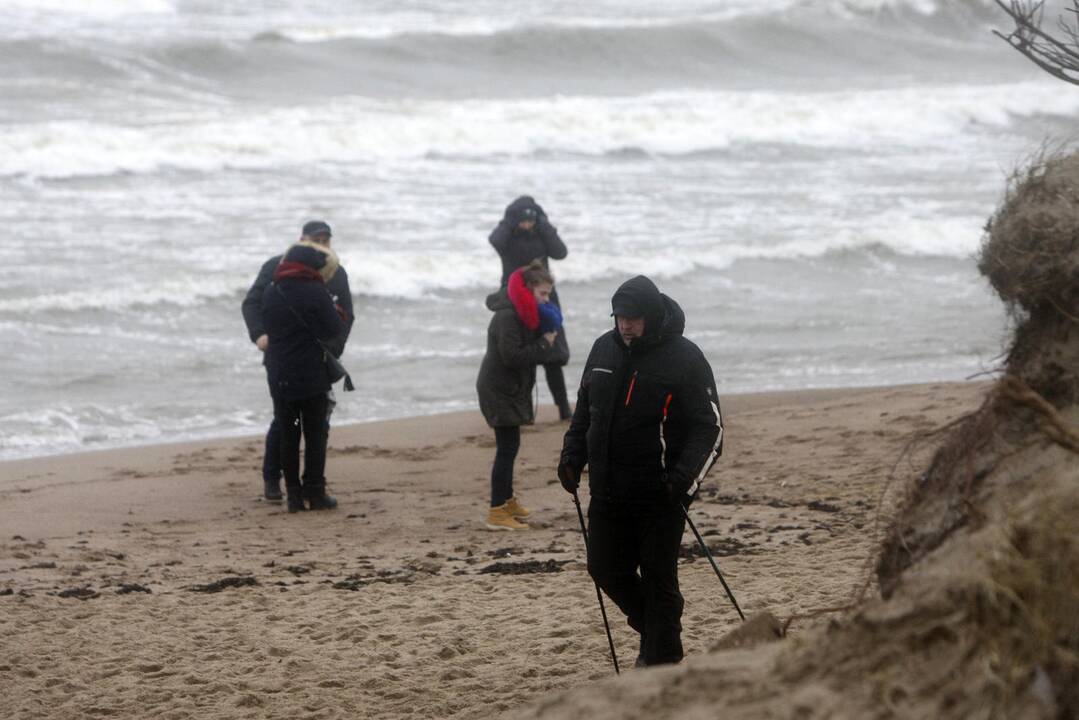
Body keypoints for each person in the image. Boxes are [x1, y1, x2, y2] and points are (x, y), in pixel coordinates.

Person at [557, 275, 723, 667]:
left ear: (650, 315)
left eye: (633, 317)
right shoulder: (603, 348)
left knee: (658, 578)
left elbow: (710, 428)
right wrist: (571, 456)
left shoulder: (684, 357)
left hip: (660, 495)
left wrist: (681, 482)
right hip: (608, 489)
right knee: (604, 567)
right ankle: (656, 629)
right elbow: (586, 411)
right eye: (619, 317)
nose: (625, 324)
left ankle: (661, 661)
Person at [241, 220, 354, 503]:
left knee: (319, 421)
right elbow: (252, 303)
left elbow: (346, 315)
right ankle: (272, 479)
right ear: (301, 240)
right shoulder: (275, 267)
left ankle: (309, 486)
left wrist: (334, 349)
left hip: (319, 357)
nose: (321, 245)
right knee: (284, 421)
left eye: (325, 240)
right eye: (315, 240)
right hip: (280, 353)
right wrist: (260, 335)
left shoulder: (335, 271)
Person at [476, 260, 563, 530]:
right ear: (527, 289)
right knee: (506, 449)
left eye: (549, 294)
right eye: (543, 294)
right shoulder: (508, 315)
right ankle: (496, 511)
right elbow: (512, 356)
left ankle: (507, 500)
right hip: (499, 389)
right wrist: (543, 344)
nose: (547, 299)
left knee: (511, 447)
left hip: (511, 388)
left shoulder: (526, 313)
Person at [260, 241, 344, 512]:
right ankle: (316, 492)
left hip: (279, 374)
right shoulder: (315, 291)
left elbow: (269, 324)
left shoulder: (272, 291)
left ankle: (294, 495)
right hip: (311, 375)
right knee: (315, 435)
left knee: (289, 434)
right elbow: (333, 329)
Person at [488, 196, 572, 419]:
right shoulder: (508, 237)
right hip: (515, 300)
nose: (527, 225)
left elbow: (561, 252)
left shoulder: (541, 233)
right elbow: (495, 240)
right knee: (522, 357)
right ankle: (524, 413)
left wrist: (544, 224)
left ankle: (564, 409)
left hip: (543, 297)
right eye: (523, 220)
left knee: (552, 355)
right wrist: (508, 220)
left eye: (531, 220)